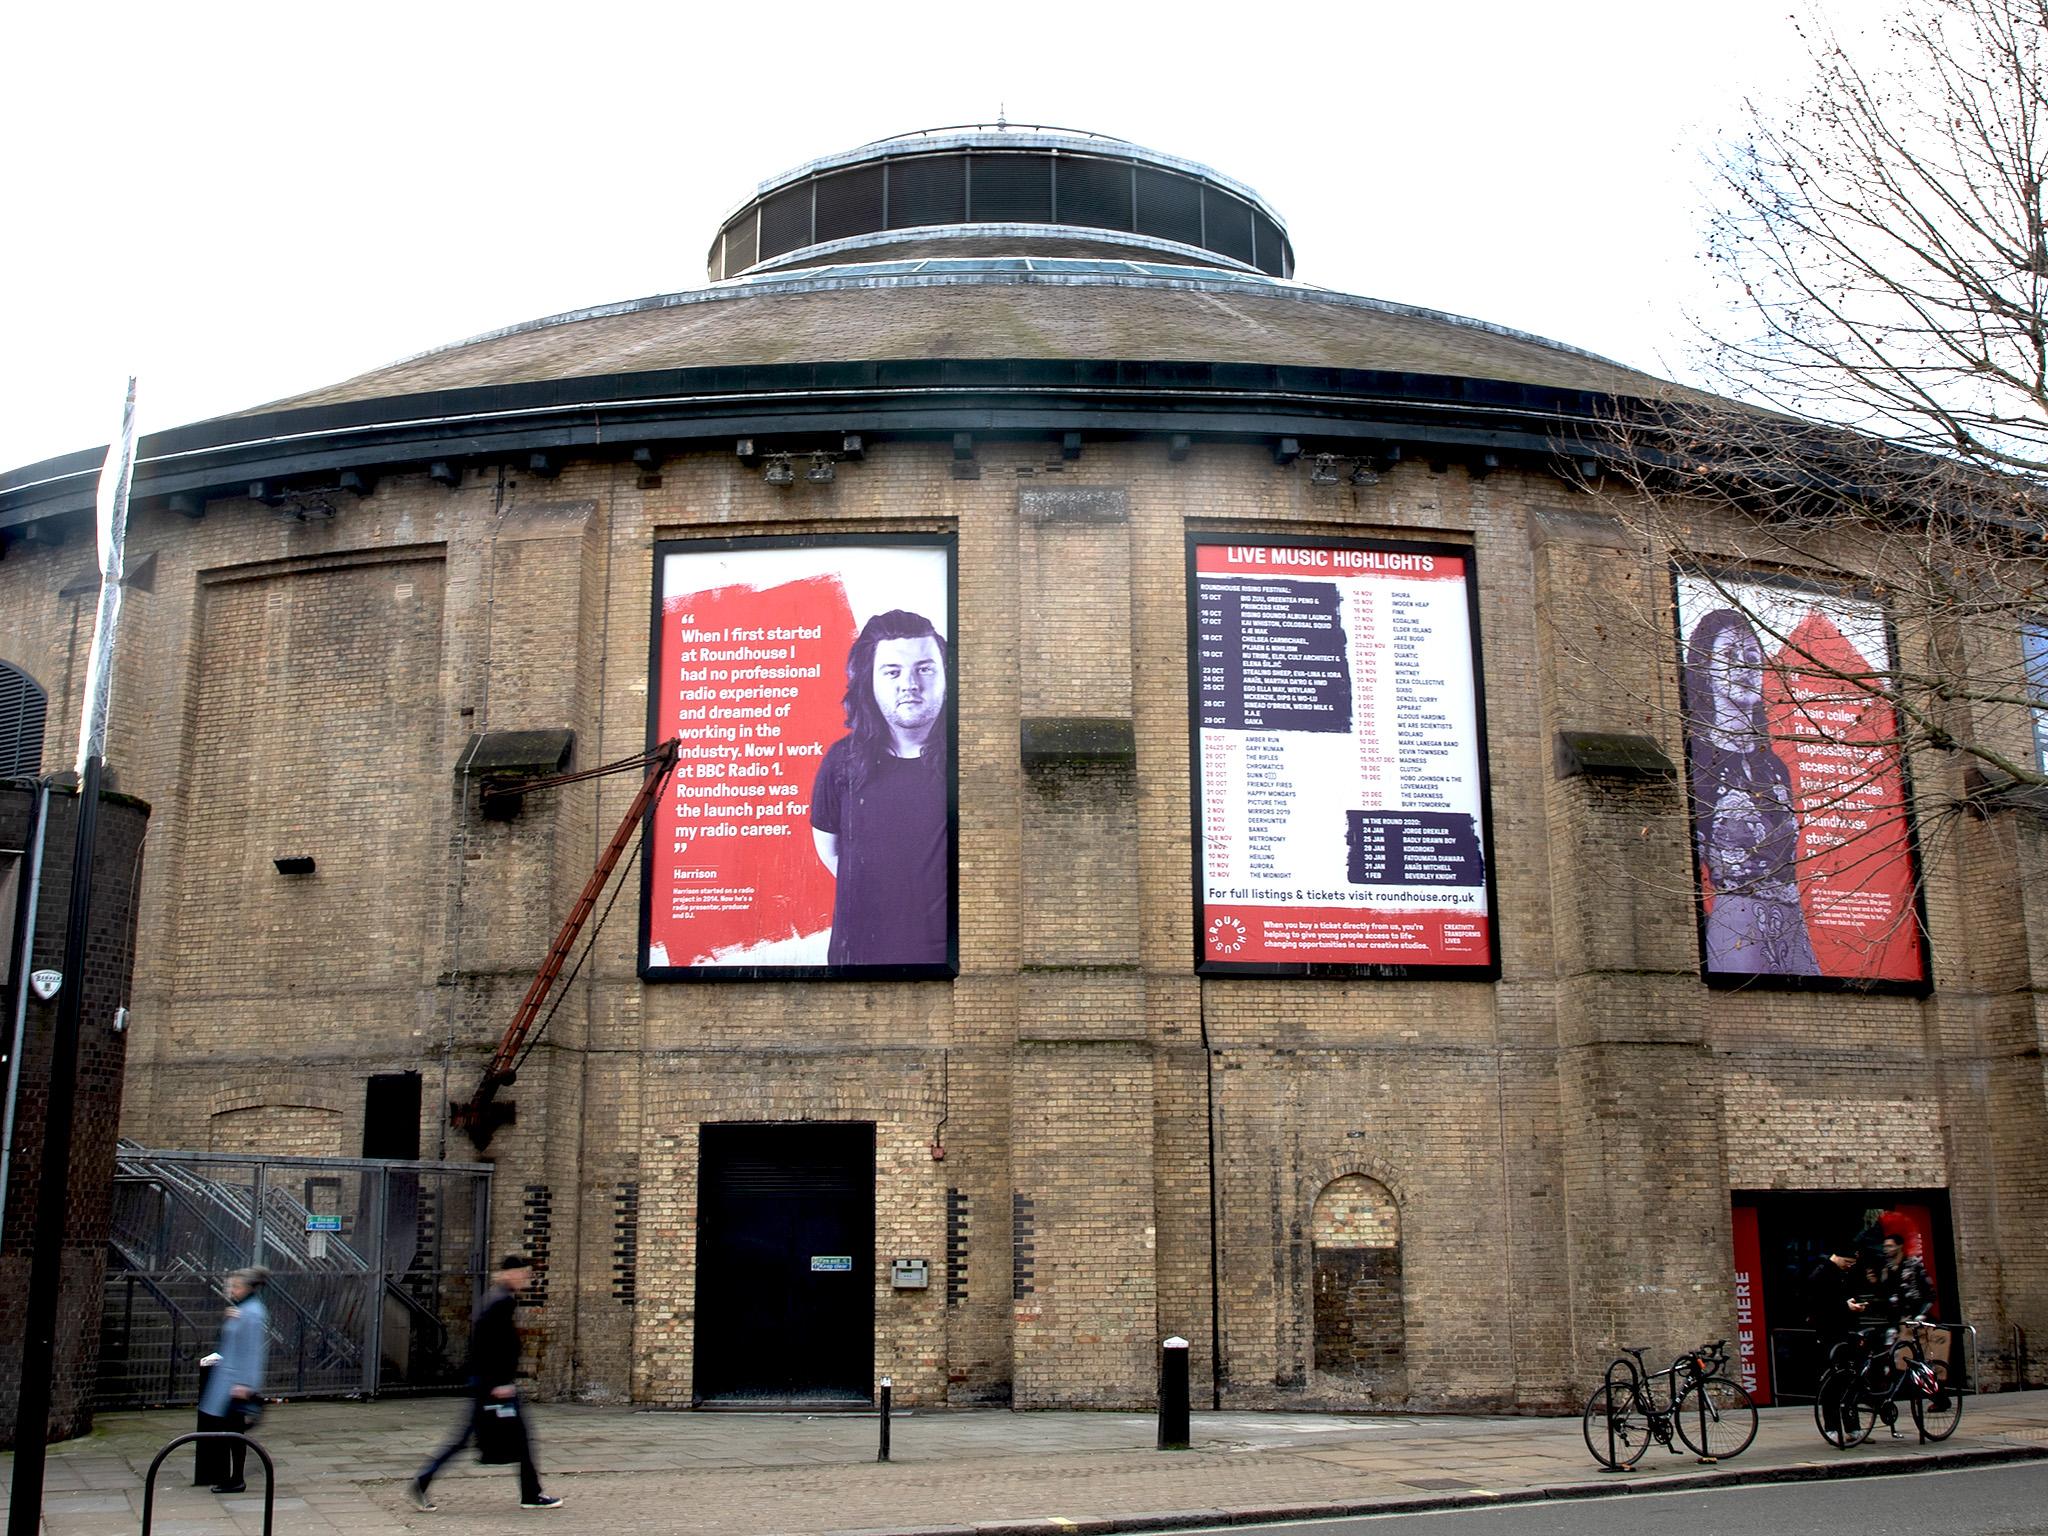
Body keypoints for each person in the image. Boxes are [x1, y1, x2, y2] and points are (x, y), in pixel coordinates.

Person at [1681, 608, 1821, 976]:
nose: (1743, 666)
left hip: (1792, 925)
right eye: (1727, 657)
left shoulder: (1774, 766)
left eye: (1752, 656)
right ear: (1705, 673)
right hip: (1737, 929)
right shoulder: (1697, 762)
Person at [810, 609, 950, 967]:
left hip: (944, 960)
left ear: (946, 674)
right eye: (892, 671)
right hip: (857, 959)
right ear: (868, 681)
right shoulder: (842, 761)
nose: (910, 684)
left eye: (924, 668)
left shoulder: (967, 759)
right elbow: (832, 853)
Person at [411, 1254, 561, 1511]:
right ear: (510, 1274)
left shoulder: (498, 1299)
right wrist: (499, 1383)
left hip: (489, 1383)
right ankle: (530, 1494)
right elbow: (488, 1347)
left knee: (488, 1439)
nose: (526, 1279)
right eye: (524, 1273)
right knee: (510, 1438)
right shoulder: (500, 1302)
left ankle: (530, 1493)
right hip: (494, 1385)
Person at [197, 1267, 269, 1494]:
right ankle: (231, 1477)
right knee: (230, 1431)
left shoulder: (252, 1312)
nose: (231, 1290)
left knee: (234, 1433)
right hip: (228, 1380)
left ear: (247, 1287)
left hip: (235, 1383)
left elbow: (253, 1351)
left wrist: (246, 1384)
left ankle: (236, 1478)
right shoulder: (242, 1309)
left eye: (236, 1286)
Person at [1875, 1231, 1935, 1323]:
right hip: (1895, 1319)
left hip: (1915, 1316)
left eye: (1890, 1246)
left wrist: (1922, 1314)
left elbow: (1930, 1294)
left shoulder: (1913, 1265)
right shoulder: (1885, 1269)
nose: (1886, 1250)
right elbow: (1883, 1295)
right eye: (1885, 1247)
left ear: (1899, 1246)